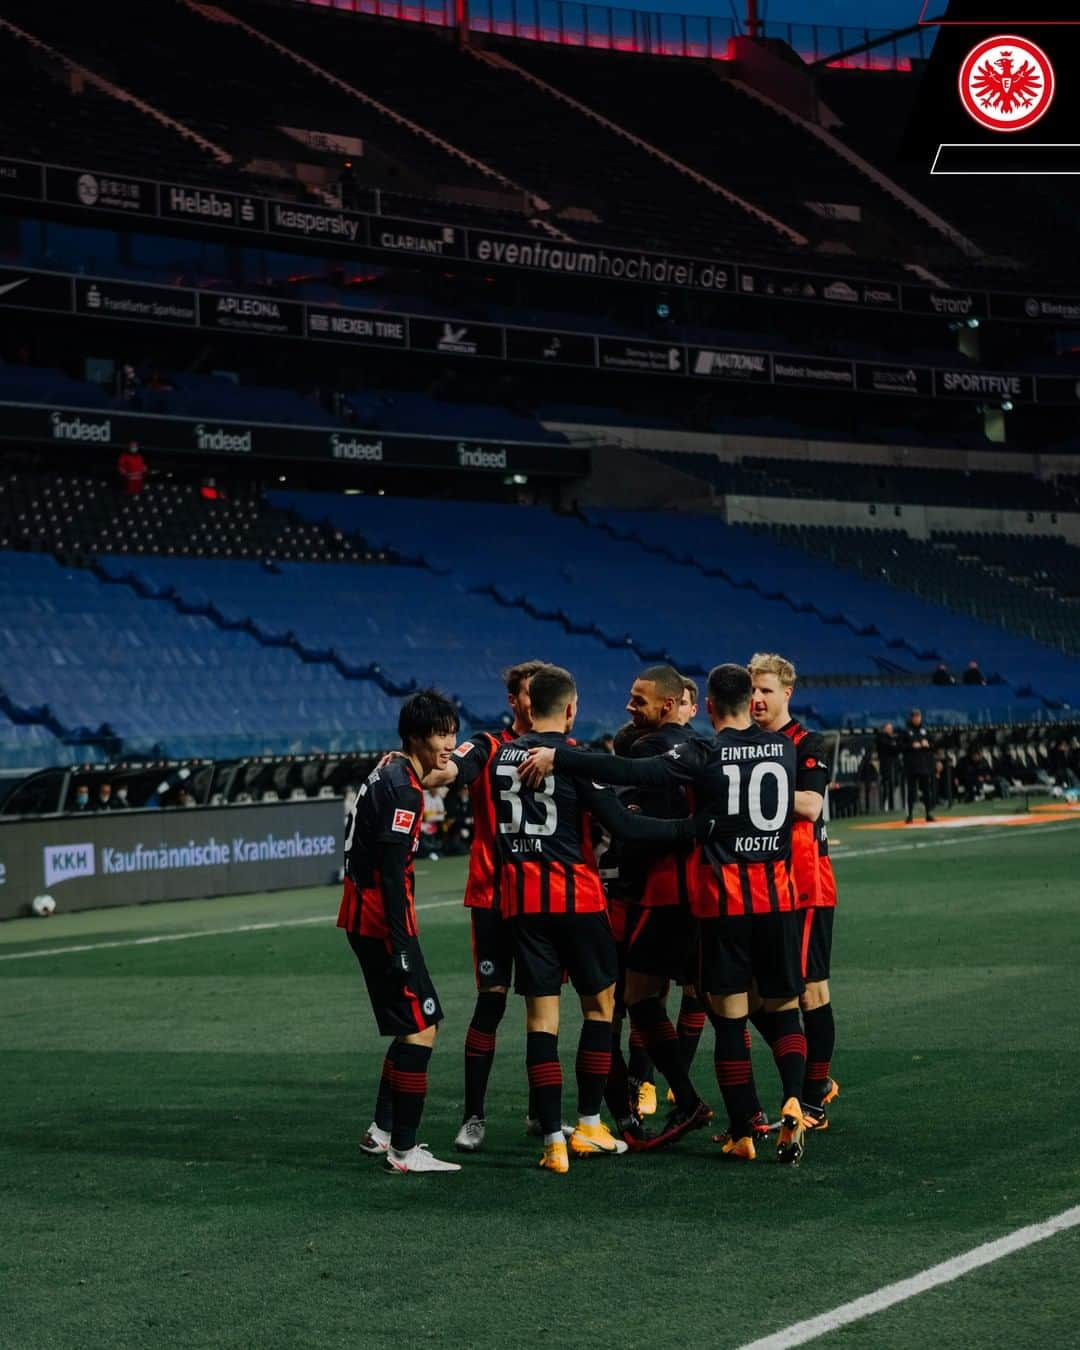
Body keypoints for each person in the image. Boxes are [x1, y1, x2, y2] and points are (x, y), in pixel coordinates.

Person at [522, 663, 809, 1166]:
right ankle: (791, 1098)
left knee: (708, 1011)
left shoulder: (698, 752)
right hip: (776, 896)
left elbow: (642, 776)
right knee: (777, 1006)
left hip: (706, 896)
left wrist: (568, 762)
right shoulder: (783, 747)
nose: (631, 707)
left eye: (640, 699)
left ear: (705, 706)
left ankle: (729, 1120)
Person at [494, 664, 711, 1174]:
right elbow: (623, 824)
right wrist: (692, 829)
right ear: (570, 709)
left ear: (525, 705)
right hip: (576, 896)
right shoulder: (576, 761)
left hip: (521, 902)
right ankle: (591, 1123)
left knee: (540, 1023)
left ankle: (552, 1140)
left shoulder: (500, 757)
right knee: (603, 1011)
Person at [410, 661, 547, 1153]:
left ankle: (541, 1113)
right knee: (490, 1002)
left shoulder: (561, 751)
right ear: (514, 701)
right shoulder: (490, 744)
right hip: (492, 896)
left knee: (542, 1007)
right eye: (531, 693)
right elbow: (453, 767)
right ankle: (473, 1117)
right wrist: (428, 771)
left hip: (539, 898)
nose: (538, 700)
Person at [339, 689, 462, 1176]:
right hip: (380, 920)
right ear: (416, 737)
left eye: (452, 733)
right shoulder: (404, 792)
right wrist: (402, 947)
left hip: (363, 913)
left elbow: (436, 771)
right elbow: (393, 874)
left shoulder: (392, 766)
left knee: (415, 1024)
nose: (449, 744)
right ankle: (405, 1153)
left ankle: (382, 1131)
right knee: (421, 1029)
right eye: (441, 735)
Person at [749, 654, 839, 1133]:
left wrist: (748, 791)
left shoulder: (808, 741)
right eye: (752, 691)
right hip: (760, 887)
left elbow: (810, 803)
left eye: (765, 690)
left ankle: (814, 1098)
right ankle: (810, 1078)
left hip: (805, 884)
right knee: (751, 996)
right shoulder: (746, 744)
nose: (757, 699)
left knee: (809, 992)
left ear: (788, 692)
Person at [901, 709, 936, 823]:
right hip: (911, 766)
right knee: (911, 791)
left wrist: (928, 744)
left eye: (919, 716)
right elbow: (900, 746)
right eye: (915, 717)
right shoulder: (906, 731)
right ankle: (910, 814)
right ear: (911, 718)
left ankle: (928, 813)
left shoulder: (925, 730)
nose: (917, 719)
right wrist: (911, 745)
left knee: (926, 790)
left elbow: (933, 743)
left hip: (924, 765)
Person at [876, 722, 901, 812]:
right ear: (884, 729)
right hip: (886, 765)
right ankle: (885, 804)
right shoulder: (881, 738)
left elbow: (897, 747)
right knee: (886, 784)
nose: (890, 730)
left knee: (894, 784)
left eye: (891, 728)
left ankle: (892, 804)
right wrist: (894, 745)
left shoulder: (893, 738)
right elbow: (891, 747)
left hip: (894, 765)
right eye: (888, 728)